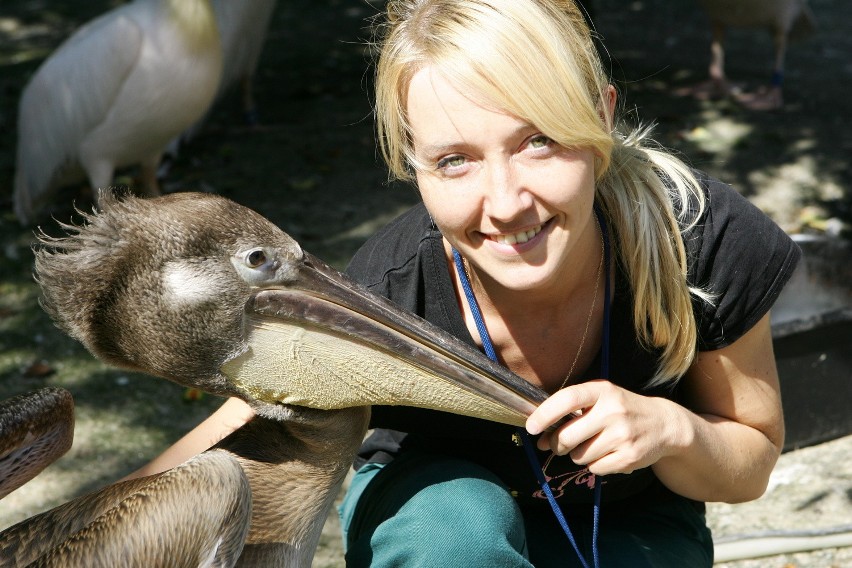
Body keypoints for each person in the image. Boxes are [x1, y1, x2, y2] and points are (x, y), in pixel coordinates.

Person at [128, 1, 801, 565]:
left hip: (626, 520)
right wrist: (85, 532)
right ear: (410, 161)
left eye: (539, 140)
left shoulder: (699, 240)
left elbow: (751, 461)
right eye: (455, 161)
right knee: (457, 532)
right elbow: (248, 415)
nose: (505, 203)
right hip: (443, 526)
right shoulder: (390, 287)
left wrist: (674, 430)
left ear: (599, 117)